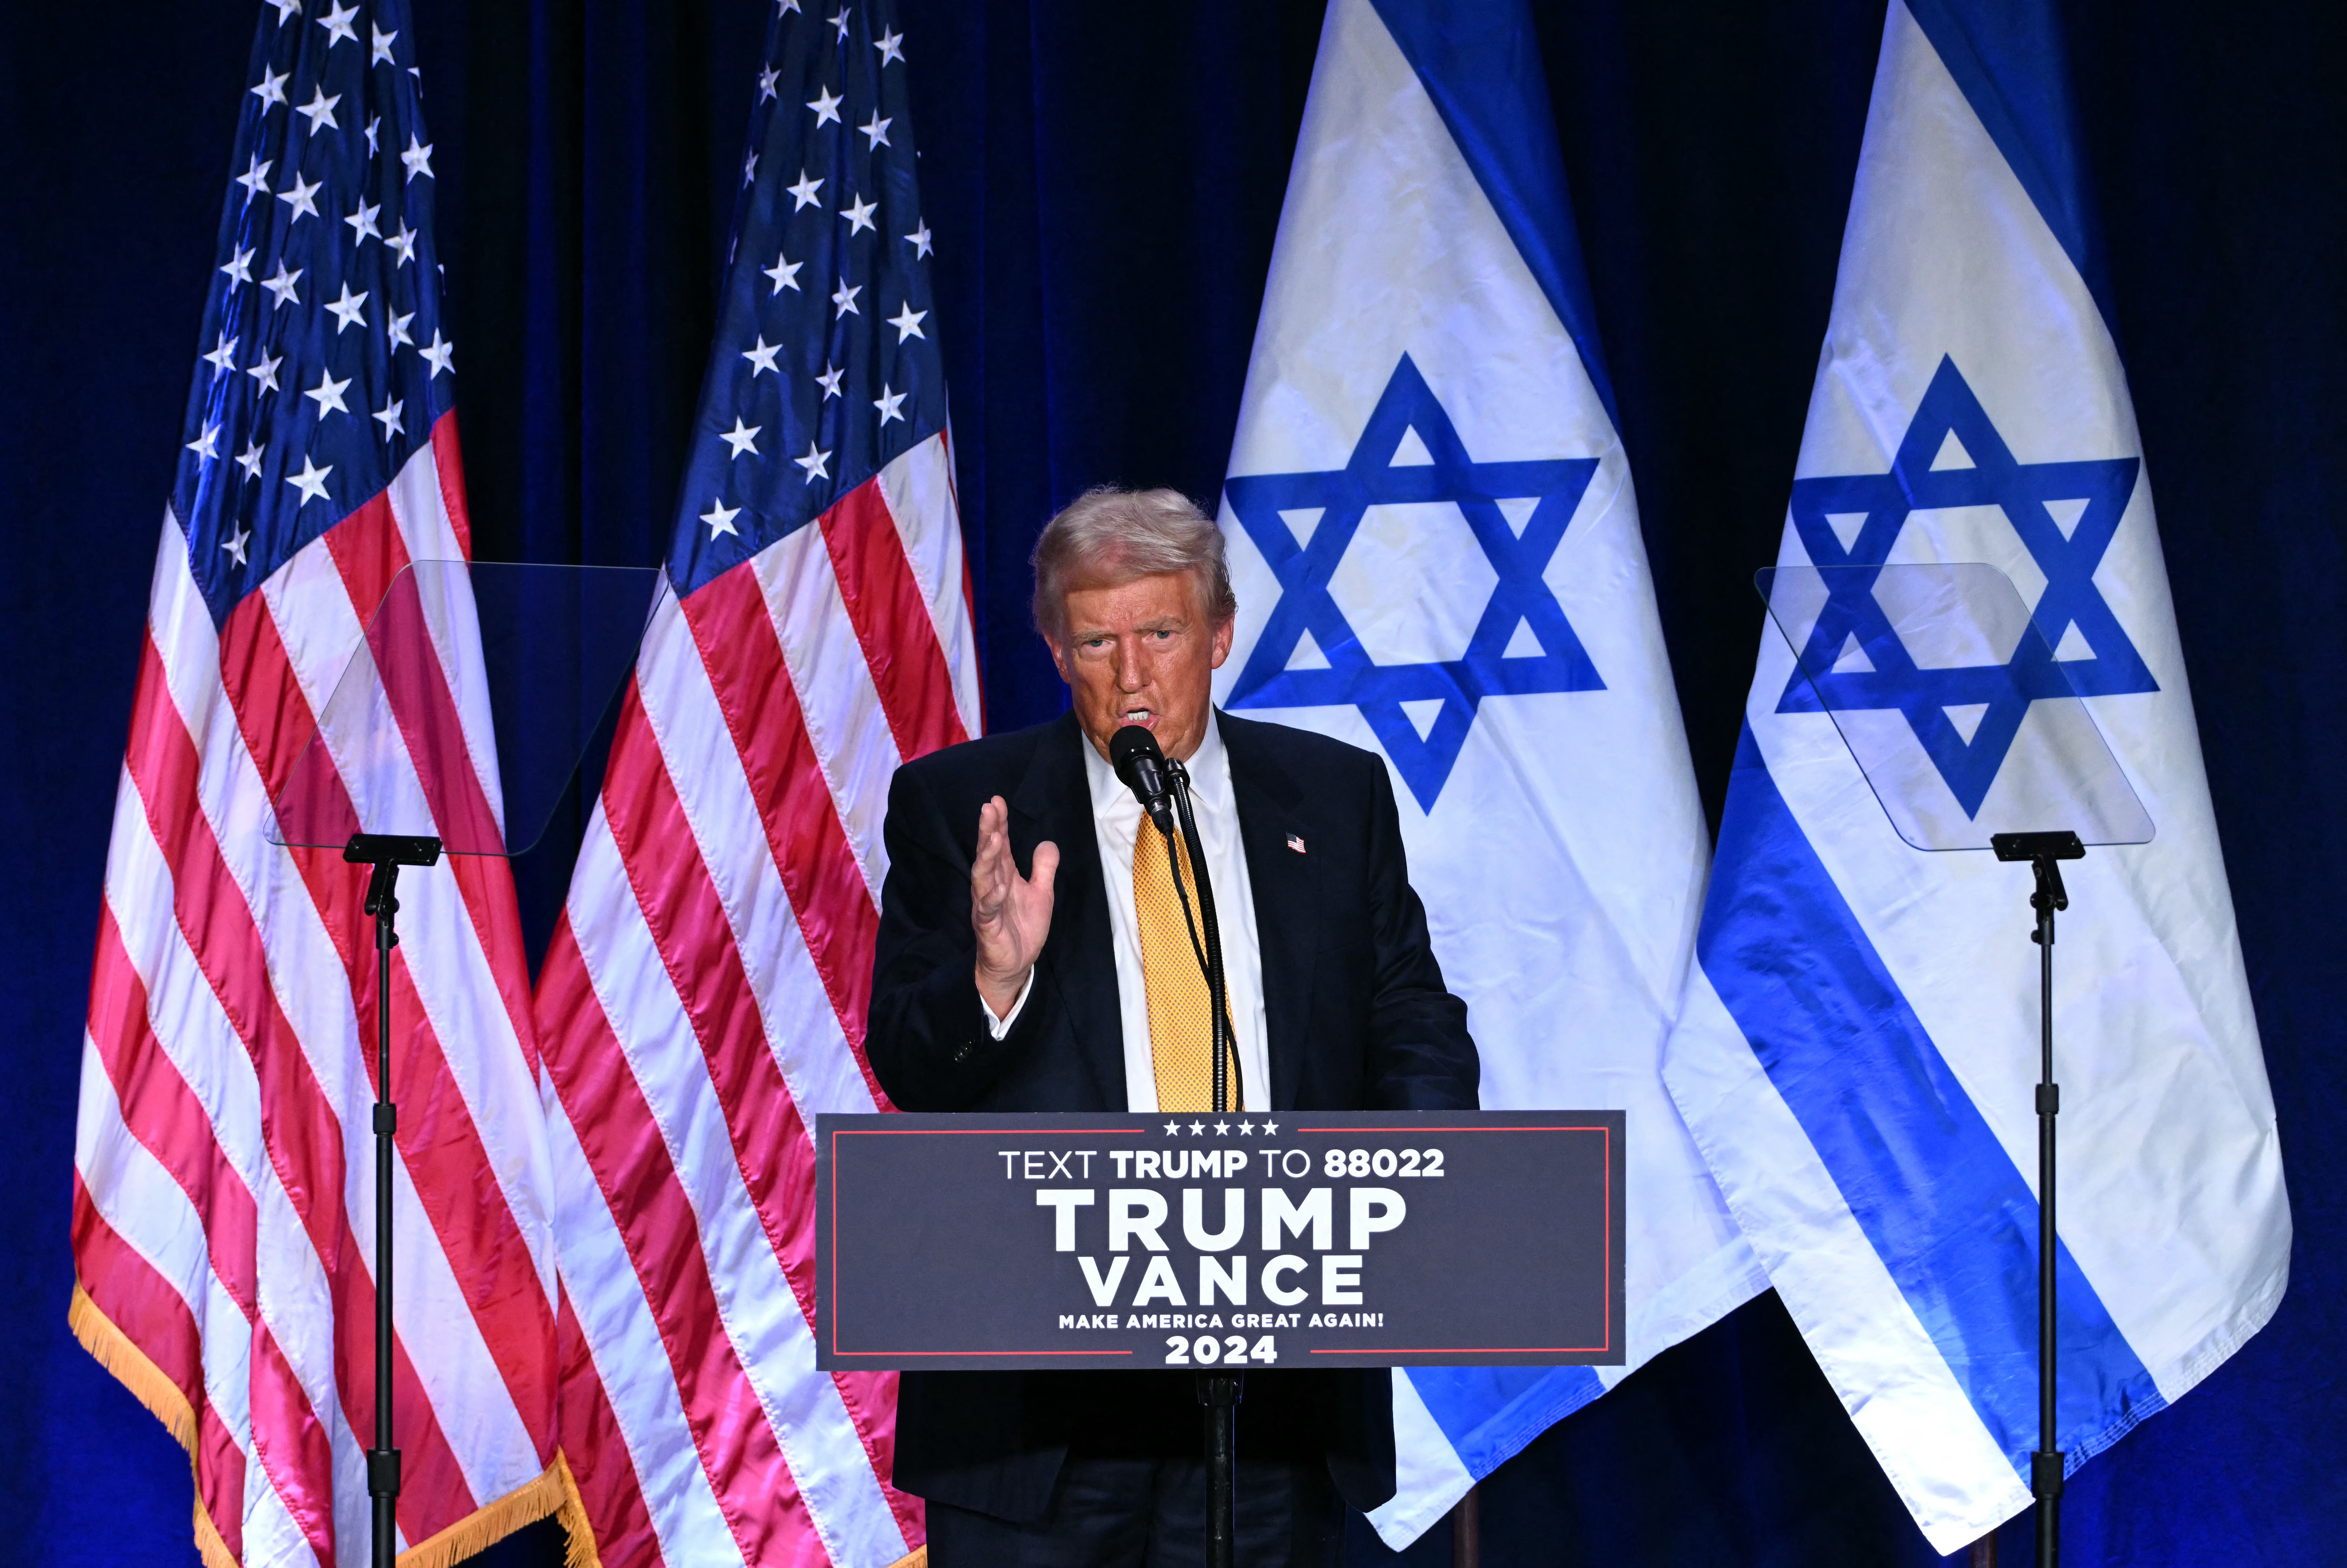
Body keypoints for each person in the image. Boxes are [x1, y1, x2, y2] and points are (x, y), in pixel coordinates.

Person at [868, 486, 1480, 1567]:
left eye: (1161, 633)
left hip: (1276, 1383)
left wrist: (1418, 1192)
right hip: (1039, 1412)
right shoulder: (964, 808)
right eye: (1097, 641)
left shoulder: (1333, 798)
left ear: (1220, 633)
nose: (1132, 674)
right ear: (1058, 650)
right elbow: (914, 1065)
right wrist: (993, 978)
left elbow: (1406, 1013)